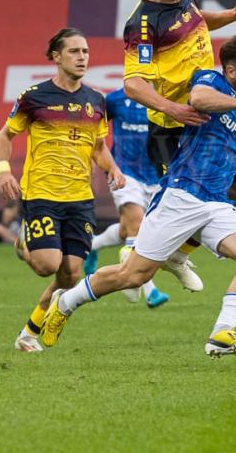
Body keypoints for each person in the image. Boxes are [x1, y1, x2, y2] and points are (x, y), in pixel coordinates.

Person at [40, 32, 236, 357]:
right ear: (230, 71)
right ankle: (66, 302)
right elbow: (198, 99)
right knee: (133, 276)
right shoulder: (211, 80)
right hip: (180, 196)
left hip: (216, 205)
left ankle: (221, 334)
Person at [121, 0, 236, 267]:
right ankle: (134, 260)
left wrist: (235, 13)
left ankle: (179, 255)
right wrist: (172, 108)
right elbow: (132, 84)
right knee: (183, 210)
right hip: (173, 128)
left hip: (208, 113)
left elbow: (198, 20)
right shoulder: (142, 25)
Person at [0, 27, 127, 353]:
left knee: (71, 274)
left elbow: (98, 147)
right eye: (74, 52)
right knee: (46, 266)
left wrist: (113, 168)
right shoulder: (34, 97)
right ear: (56, 56)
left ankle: (28, 333)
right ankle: (25, 245)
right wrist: (3, 171)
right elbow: (5, 136)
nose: (82, 57)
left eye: (85, 52)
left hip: (80, 198)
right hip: (41, 194)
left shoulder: (96, 101)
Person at [83, 87, 198, 308]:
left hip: (156, 174)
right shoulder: (116, 100)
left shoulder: (166, 99)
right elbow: (94, 132)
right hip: (124, 173)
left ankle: (93, 245)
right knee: (137, 225)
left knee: (130, 229)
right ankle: (150, 290)